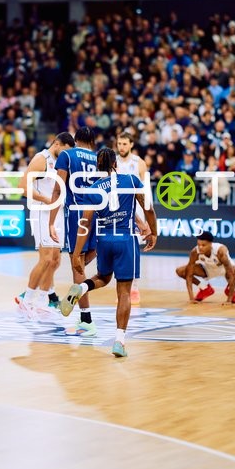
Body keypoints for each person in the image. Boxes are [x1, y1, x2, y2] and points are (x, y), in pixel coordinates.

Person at [58, 148, 157, 358]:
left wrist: (76, 254)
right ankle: (119, 341)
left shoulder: (93, 188)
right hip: (126, 240)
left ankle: (82, 286)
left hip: (104, 240)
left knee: (103, 276)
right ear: (115, 163)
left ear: (97, 167)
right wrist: (153, 232)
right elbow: (148, 207)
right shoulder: (130, 180)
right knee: (123, 292)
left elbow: (85, 222)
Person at [16, 132, 75, 318]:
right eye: (65, 151)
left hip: (57, 212)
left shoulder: (61, 162)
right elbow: (22, 186)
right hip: (42, 212)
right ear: (57, 144)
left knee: (56, 260)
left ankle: (42, 300)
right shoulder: (41, 159)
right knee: (46, 258)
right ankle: (26, 301)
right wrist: (45, 199)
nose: (66, 156)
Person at [49, 126, 100, 337]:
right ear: (92, 141)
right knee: (85, 261)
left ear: (75, 139)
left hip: (77, 214)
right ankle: (78, 290)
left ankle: (87, 319)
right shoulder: (99, 158)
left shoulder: (67, 155)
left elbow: (58, 189)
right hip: (98, 212)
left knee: (76, 265)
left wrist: (51, 222)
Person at [115, 132, 151, 305]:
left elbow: (145, 192)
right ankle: (122, 285)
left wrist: (147, 216)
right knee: (119, 247)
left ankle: (135, 287)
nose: (121, 147)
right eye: (119, 143)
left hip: (136, 209)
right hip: (117, 210)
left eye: (124, 144)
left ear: (131, 145)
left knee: (134, 248)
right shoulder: (113, 162)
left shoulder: (138, 163)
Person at [175, 231, 235, 305]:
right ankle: (205, 288)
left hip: (224, 270)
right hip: (208, 269)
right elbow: (189, 275)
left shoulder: (220, 251)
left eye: (203, 245)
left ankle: (229, 290)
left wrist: (229, 301)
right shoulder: (195, 252)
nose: (200, 247)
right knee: (181, 271)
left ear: (211, 244)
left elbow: (231, 274)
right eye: (198, 245)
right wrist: (191, 298)